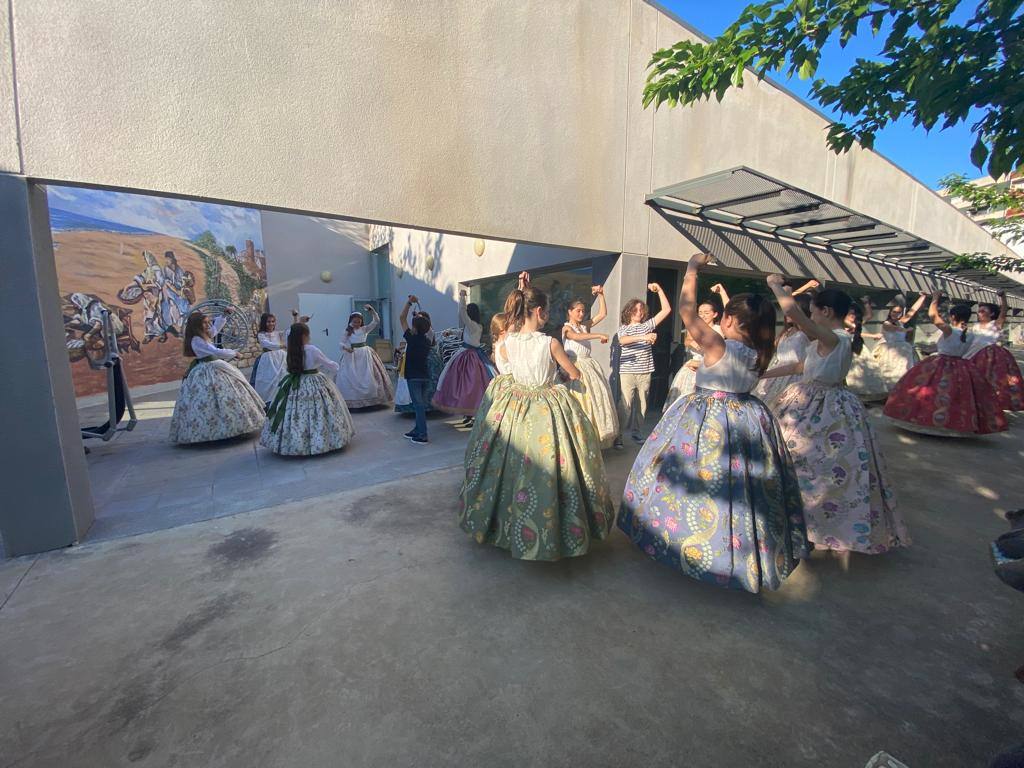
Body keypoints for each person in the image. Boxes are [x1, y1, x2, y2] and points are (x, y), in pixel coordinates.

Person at [618, 254, 807, 593]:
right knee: (741, 486)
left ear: (731, 319)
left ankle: (689, 546)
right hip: (749, 417)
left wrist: (691, 268)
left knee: (691, 478)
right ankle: (741, 552)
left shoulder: (719, 344)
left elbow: (687, 310)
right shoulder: (760, 351)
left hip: (705, 416)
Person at [459, 283, 614, 561]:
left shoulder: (507, 341)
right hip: (545, 408)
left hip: (513, 406)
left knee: (507, 463)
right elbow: (574, 374)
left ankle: (501, 525)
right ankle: (554, 528)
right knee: (556, 462)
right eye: (548, 309)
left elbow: (508, 367)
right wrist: (565, 374)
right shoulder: (550, 343)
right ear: (540, 311)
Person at [766, 278, 909, 555]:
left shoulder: (836, 337)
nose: (811, 316)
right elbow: (800, 365)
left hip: (823, 408)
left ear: (827, 312)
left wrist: (776, 286)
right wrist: (763, 373)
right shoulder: (829, 340)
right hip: (809, 399)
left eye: (814, 311)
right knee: (798, 461)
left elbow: (794, 314)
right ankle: (795, 519)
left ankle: (815, 523)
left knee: (813, 464)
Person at [883, 293, 1007, 436]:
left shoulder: (950, 330)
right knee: (955, 395)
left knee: (927, 390)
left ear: (953, 317)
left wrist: (935, 298)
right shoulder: (970, 334)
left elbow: (933, 315)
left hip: (942, 363)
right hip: (962, 366)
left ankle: (926, 420)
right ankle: (952, 423)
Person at [169, 309, 265, 444]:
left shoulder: (203, 336)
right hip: (207, 369)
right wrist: (233, 353)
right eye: (205, 323)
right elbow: (214, 351)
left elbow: (215, 330)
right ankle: (213, 430)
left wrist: (224, 315)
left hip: (214, 365)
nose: (208, 325)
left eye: (208, 322)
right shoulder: (196, 340)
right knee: (211, 398)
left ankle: (235, 425)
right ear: (197, 325)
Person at [260, 323, 355, 455]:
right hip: (314, 381)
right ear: (305, 335)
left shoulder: (290, 349)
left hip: (295, 383)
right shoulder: (312, 349)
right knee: (320, 411)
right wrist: (337, 366)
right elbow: (329, 364)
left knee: (294, 413)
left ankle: (294, 442)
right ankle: (323, 440)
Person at [615, 282, 672, 447]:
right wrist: (644, 337)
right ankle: (618, 435)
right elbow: (623, 341)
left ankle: (637, 432)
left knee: (642, 404)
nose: (639, 313)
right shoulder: (624, 328)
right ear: (629, 312)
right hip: (627, 372)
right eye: (635, 310)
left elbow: (667, 310)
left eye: (641, 310)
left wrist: (660, 289)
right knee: (625, 404)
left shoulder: (647, 325)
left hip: (645, 371)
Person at [562, 285, 618, 448]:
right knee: (581, 401)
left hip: (589, 365)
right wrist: (598, 334)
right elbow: (576, 337)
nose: (581, 313)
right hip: (575, 366)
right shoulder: (567, 328)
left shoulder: (584, 325)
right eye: (578, 310)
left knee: (596, 400)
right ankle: (578, 438)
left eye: (583, 310)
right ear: (570, 311)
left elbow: (602, 314)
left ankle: (593, 437)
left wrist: (601, 295)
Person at [432, 289, 494, 423]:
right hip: (469, 355)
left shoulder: (474, 326)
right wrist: (451, 332)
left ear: (469, 314)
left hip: (469, 357)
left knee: (469, 386)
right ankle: (468, 415)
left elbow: (462, 313)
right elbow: (463, 332)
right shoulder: (474, 326)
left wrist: (462, 297)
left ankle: (472, 415)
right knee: (467, 386)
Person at [754, 285, 814, 411]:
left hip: (795, 376)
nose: (786, 312)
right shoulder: (787, 331)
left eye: (792, 309)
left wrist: (784, 291)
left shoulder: (807, 332)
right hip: (776, 372)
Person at [663, 291, 723, 412]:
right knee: (685, 399)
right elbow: (688, 340)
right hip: (692, 367)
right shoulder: (694, 327)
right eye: (700, 312)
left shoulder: (718, 329)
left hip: (709, 367)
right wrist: (694, 343)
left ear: (715, 314)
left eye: (706, 313)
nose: (703, 315)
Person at [966, 290, 1023, 411]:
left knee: (993, 382)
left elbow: (1003, 312)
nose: (979, 313)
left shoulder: (995, 324)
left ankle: (992, 405)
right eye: (978, 311)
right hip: (974, 356)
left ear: (991, 314)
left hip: (991, 358)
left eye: (982, 311)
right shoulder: (975, 326)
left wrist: (1003, 297)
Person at [336, 304, 393, 408]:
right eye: (355, 321)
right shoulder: (347, 332)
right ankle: (354, 400)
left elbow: (376, 321)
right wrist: (346, 348)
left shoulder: (365, 329)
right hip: (352, 355)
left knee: (368, 375)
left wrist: (371, 310)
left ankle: (372, 399)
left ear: (361, 321)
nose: (357, 323)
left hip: (365, 354)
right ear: (351, 321)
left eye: (359, 321)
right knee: (351, 377)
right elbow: (341, 343)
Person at [395, 303, 443, 416]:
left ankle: (421, 419)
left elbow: (402, 319)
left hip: (417, 369)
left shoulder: (423, 335)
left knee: (419, 395)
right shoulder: (421, 339)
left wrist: (411, 305)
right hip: (419, 367)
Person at [399, 296, 434, 445]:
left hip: (413, 377)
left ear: (414, 327)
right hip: (425, 376)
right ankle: (417, 429)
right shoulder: (427, 340)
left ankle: (422, 434)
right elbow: (427, 326)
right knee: (419, 405)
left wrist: (409, 302)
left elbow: (402, 317)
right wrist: (419, 308)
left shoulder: (411, 338)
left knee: (418, 406)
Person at [873, 294, 926, 389]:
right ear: (890, 312)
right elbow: (894, 328)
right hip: (889, 352)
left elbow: (912, 311)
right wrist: (907, 330)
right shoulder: (886, 323)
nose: (896, 314)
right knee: (889, 373)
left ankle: (900, 391)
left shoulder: (901, 322)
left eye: (898, 312)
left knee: (903, 372)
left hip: (903, 353)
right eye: (894, 312)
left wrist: (922, 297)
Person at [844, 298, 889, 403]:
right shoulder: (843, 322)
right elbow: (854, 330)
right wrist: (872, 335)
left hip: (857, 347)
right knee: (853, 373)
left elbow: (869, 316)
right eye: (850, 314)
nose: (852, 316)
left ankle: (865, 396)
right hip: (847, 347)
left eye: (854, 314)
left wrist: (866, 303)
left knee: (867, 370)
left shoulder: (855, 323)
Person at [251, 313, 289, 403]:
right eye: (268, 322)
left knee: (282, 375)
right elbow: (267, 344)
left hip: (281, 358)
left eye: (273, 321)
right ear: (264, 322)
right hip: (268, 359)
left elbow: (291, 331)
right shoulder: (261, 335)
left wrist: (295, 317)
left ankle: (284, 397)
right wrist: (281, 345)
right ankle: (270, 401)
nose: (271, 323)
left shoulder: (278, 333)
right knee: (269, 380)